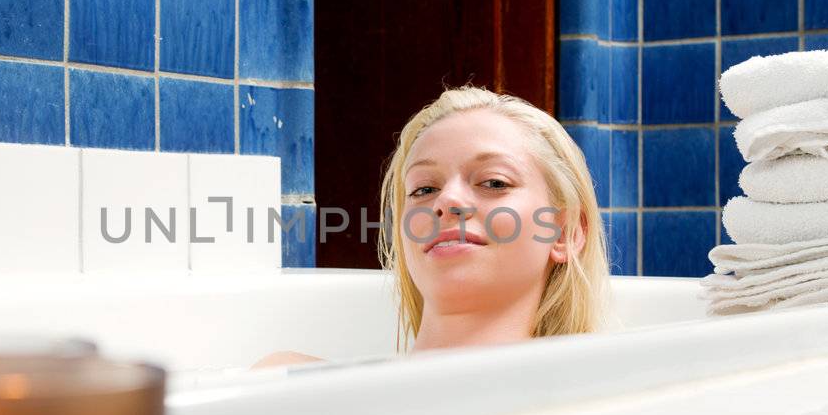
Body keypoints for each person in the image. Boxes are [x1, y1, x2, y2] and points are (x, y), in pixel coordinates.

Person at [250, 84, 611, 368]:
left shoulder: (600, 402)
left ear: (565, 233)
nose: (446, 201)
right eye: (424, 189)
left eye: (494, 182)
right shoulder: (285, 381)